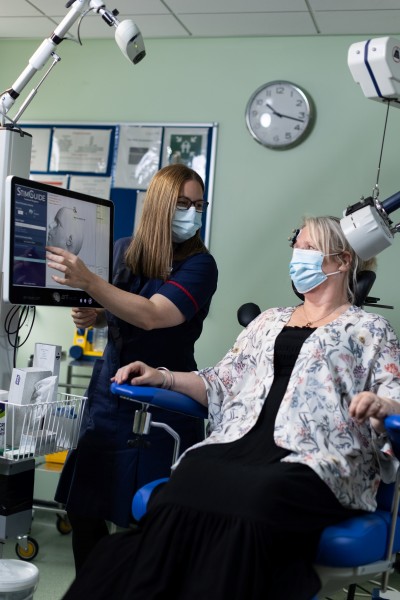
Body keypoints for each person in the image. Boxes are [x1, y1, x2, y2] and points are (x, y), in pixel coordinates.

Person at [61, 215, 400, 600]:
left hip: (315, 456)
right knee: (183, 484)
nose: (297, 256)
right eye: (296, 246)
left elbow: (394, 397)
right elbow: (220, 380)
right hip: (236, 445)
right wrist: (162, 376)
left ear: (341, 262)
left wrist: (381, 403)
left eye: (308, 249)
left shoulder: (369, 329)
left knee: (257, 498)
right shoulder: (268, 321)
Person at [46, 164, 218, 574]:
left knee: (151, 512)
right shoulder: (124, 250)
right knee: (84, 504)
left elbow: (151, 315)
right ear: (159, 206)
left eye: (198, 205)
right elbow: (121, 308)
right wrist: (98, 316)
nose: (192, 213)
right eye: (182, 204)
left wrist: (90, 283)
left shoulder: (200, 266)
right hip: (110, 393)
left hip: (164, 401)